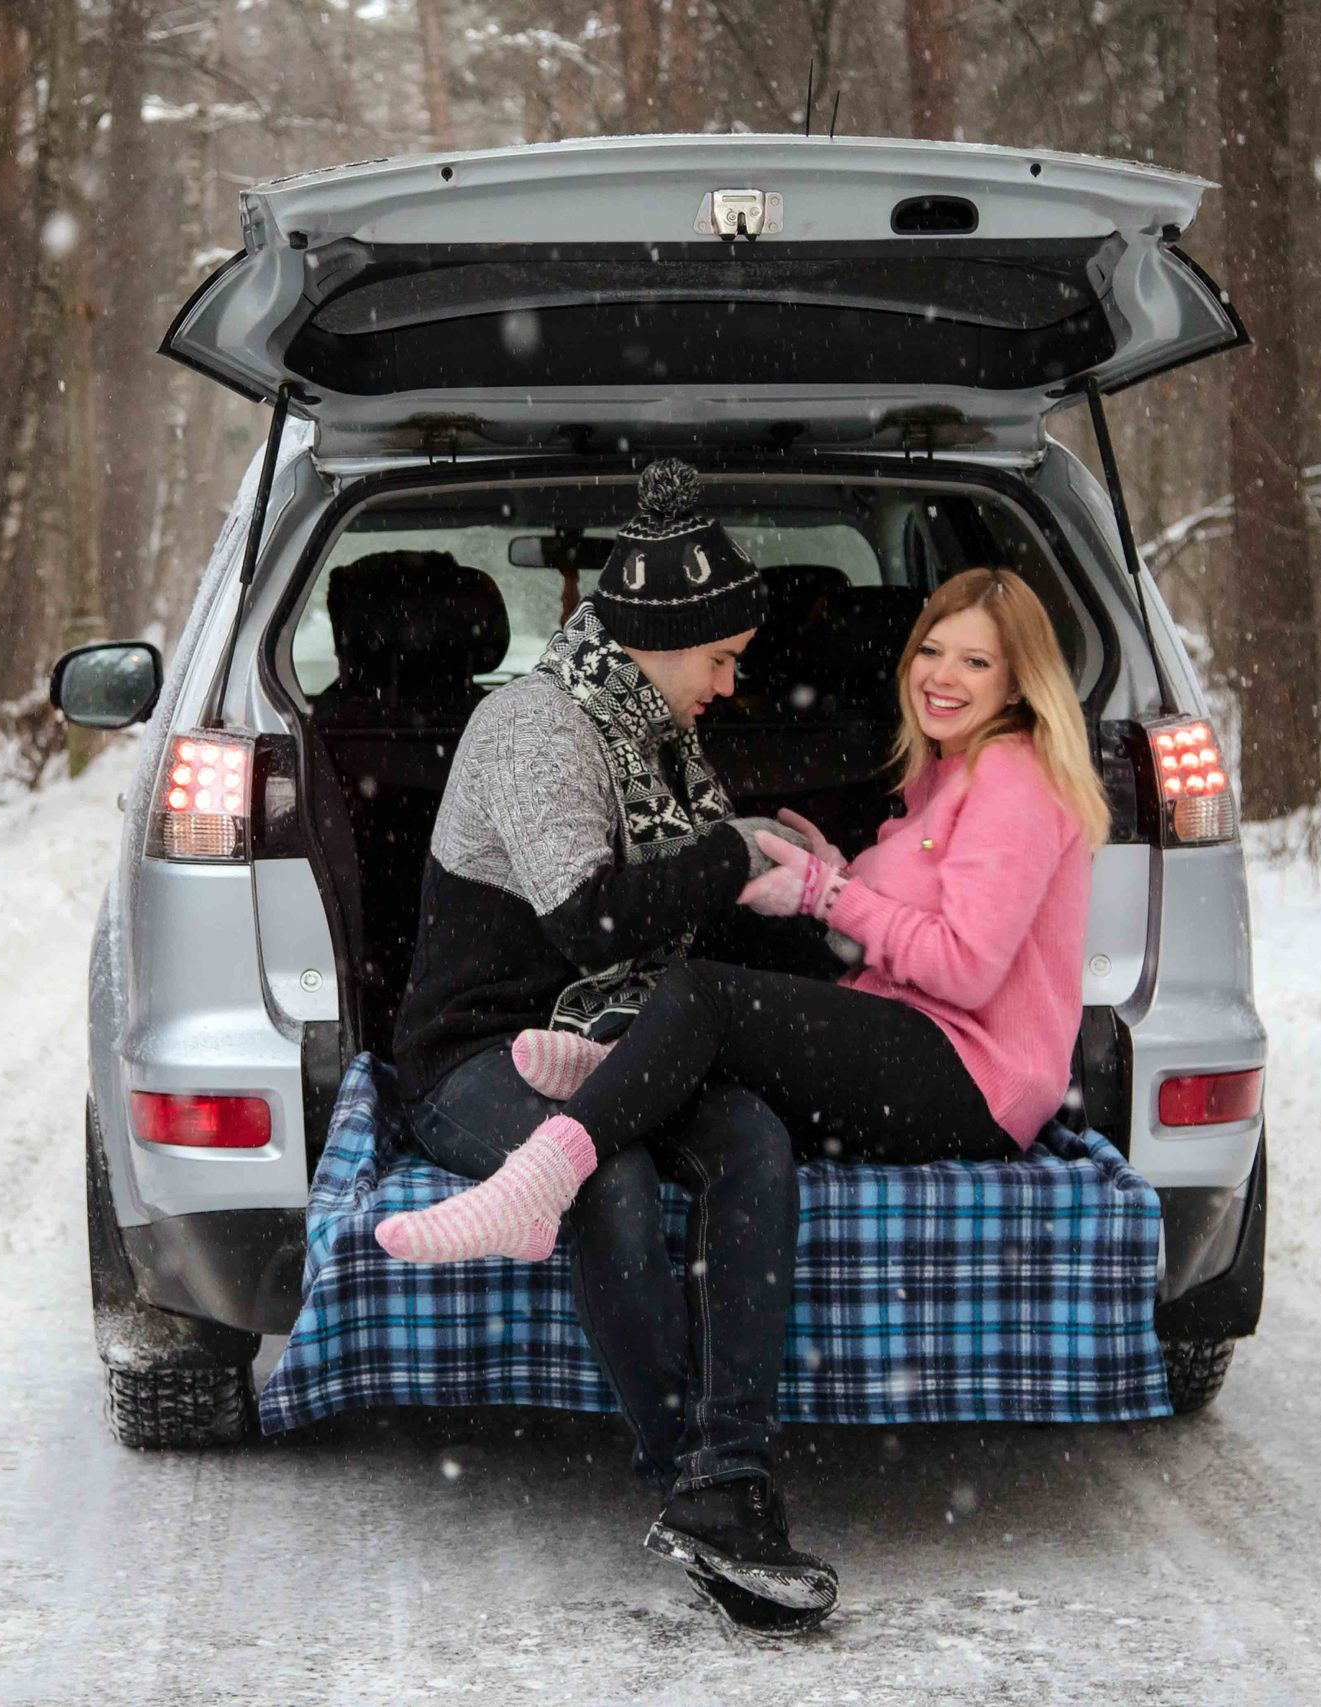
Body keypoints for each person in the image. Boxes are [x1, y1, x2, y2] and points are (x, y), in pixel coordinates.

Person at [378, 567, 1110, 1605]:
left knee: (710, 1002)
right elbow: (887, 937)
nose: (943, 675)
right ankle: (719, 1484)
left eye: (975, 660)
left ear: (1022, 680)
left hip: (970, 1073)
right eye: (933, 651)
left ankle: (548, 1162)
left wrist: (825, 890)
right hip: (919, 1042)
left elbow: (965, 967)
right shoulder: (944, 780)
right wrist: (834, 874)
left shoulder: (1011, 778)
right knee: (732, 1076)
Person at [385, 459, 840, 1627]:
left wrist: (839, 913)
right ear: (662, 642)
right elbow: (590, 920)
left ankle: (730, 1481)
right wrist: (733, 854)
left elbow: (687, 915)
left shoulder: (658, 734)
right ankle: (679, 1470)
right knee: (614, 1181)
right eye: (721, 660)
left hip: (619, 1035)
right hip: (481, 1047)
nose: (732, 686)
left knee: (755, 1144)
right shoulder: (533, 727)